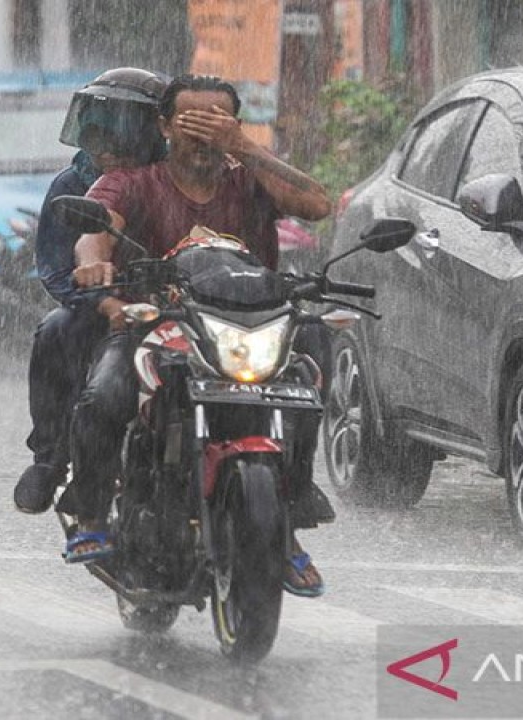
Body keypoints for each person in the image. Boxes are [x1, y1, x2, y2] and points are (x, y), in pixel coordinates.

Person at [60, 74, 335, 597]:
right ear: (163, 126)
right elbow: (93, 236)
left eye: (218, 120)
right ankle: (92, 515)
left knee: (310, 359)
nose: (204, 131)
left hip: (252, 326)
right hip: (156, 326)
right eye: (191, 119)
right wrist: (95, 266)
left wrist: (245, 148)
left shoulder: (249, 179)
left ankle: (290, 515)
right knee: (105, 394)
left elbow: (316, 204)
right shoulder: (133, 182)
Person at [13, 67, 169, 514]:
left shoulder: (174, 178)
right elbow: (59, 269)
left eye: (123, 132)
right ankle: (51, 456)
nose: (107, 149)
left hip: (179, 307)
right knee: (53, 329)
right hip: (100, 309)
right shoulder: (70, 184)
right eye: (97, 133)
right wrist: (104, 300)